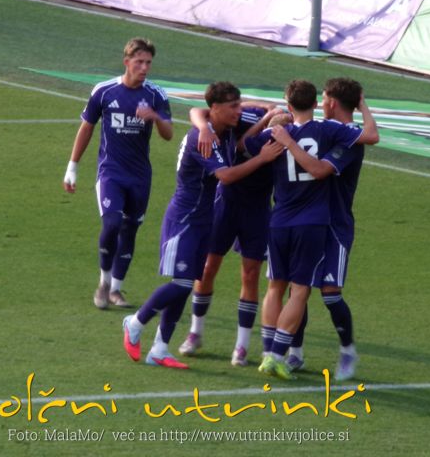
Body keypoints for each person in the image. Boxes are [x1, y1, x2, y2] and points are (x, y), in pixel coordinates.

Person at [122, 82, 283, 369]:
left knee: (185, 286)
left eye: (239, 105)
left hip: (204, 218)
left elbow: (201, 110)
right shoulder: (202, 138)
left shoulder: (221, 128)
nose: (239, 111)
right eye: (233, 106)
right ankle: (135, 322)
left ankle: (160, 348)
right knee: (182, 283)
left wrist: (267, 111)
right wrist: (262, 158)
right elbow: (226, 176)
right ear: (216, 109)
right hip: (185, 218)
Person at [244, 79, 377, 380]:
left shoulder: (346, 139)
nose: (324, 102)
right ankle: (293, 353)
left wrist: (278, 127)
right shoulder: (326, 131)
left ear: (330, 103)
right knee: (297, 287)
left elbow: (322, 167)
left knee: (329, 294)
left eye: (327, 97)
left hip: (335, 223)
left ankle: (347, 350)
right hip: (310, 220)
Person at [63, 38, 173, 310]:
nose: (144, 68)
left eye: (148, 63)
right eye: (139, 62)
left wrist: (154, 117)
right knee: (112, 224)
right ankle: (104, 281)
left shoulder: (156, 95)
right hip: (110, 172)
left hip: (140, 176)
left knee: (130, 229)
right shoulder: (104, 91)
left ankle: (116, 289)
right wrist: (72, 167)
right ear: (127, 62)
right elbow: (87, 127)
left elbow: (168, 134)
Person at [178, 101, 287, 366]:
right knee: (207, 267)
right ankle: (195, 332)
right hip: (225, 204)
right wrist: (266, 110)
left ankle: (242, 346)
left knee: (250, 274)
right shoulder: (247, 117)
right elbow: (202, 112)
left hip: (257, 210)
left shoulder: (290, 139)